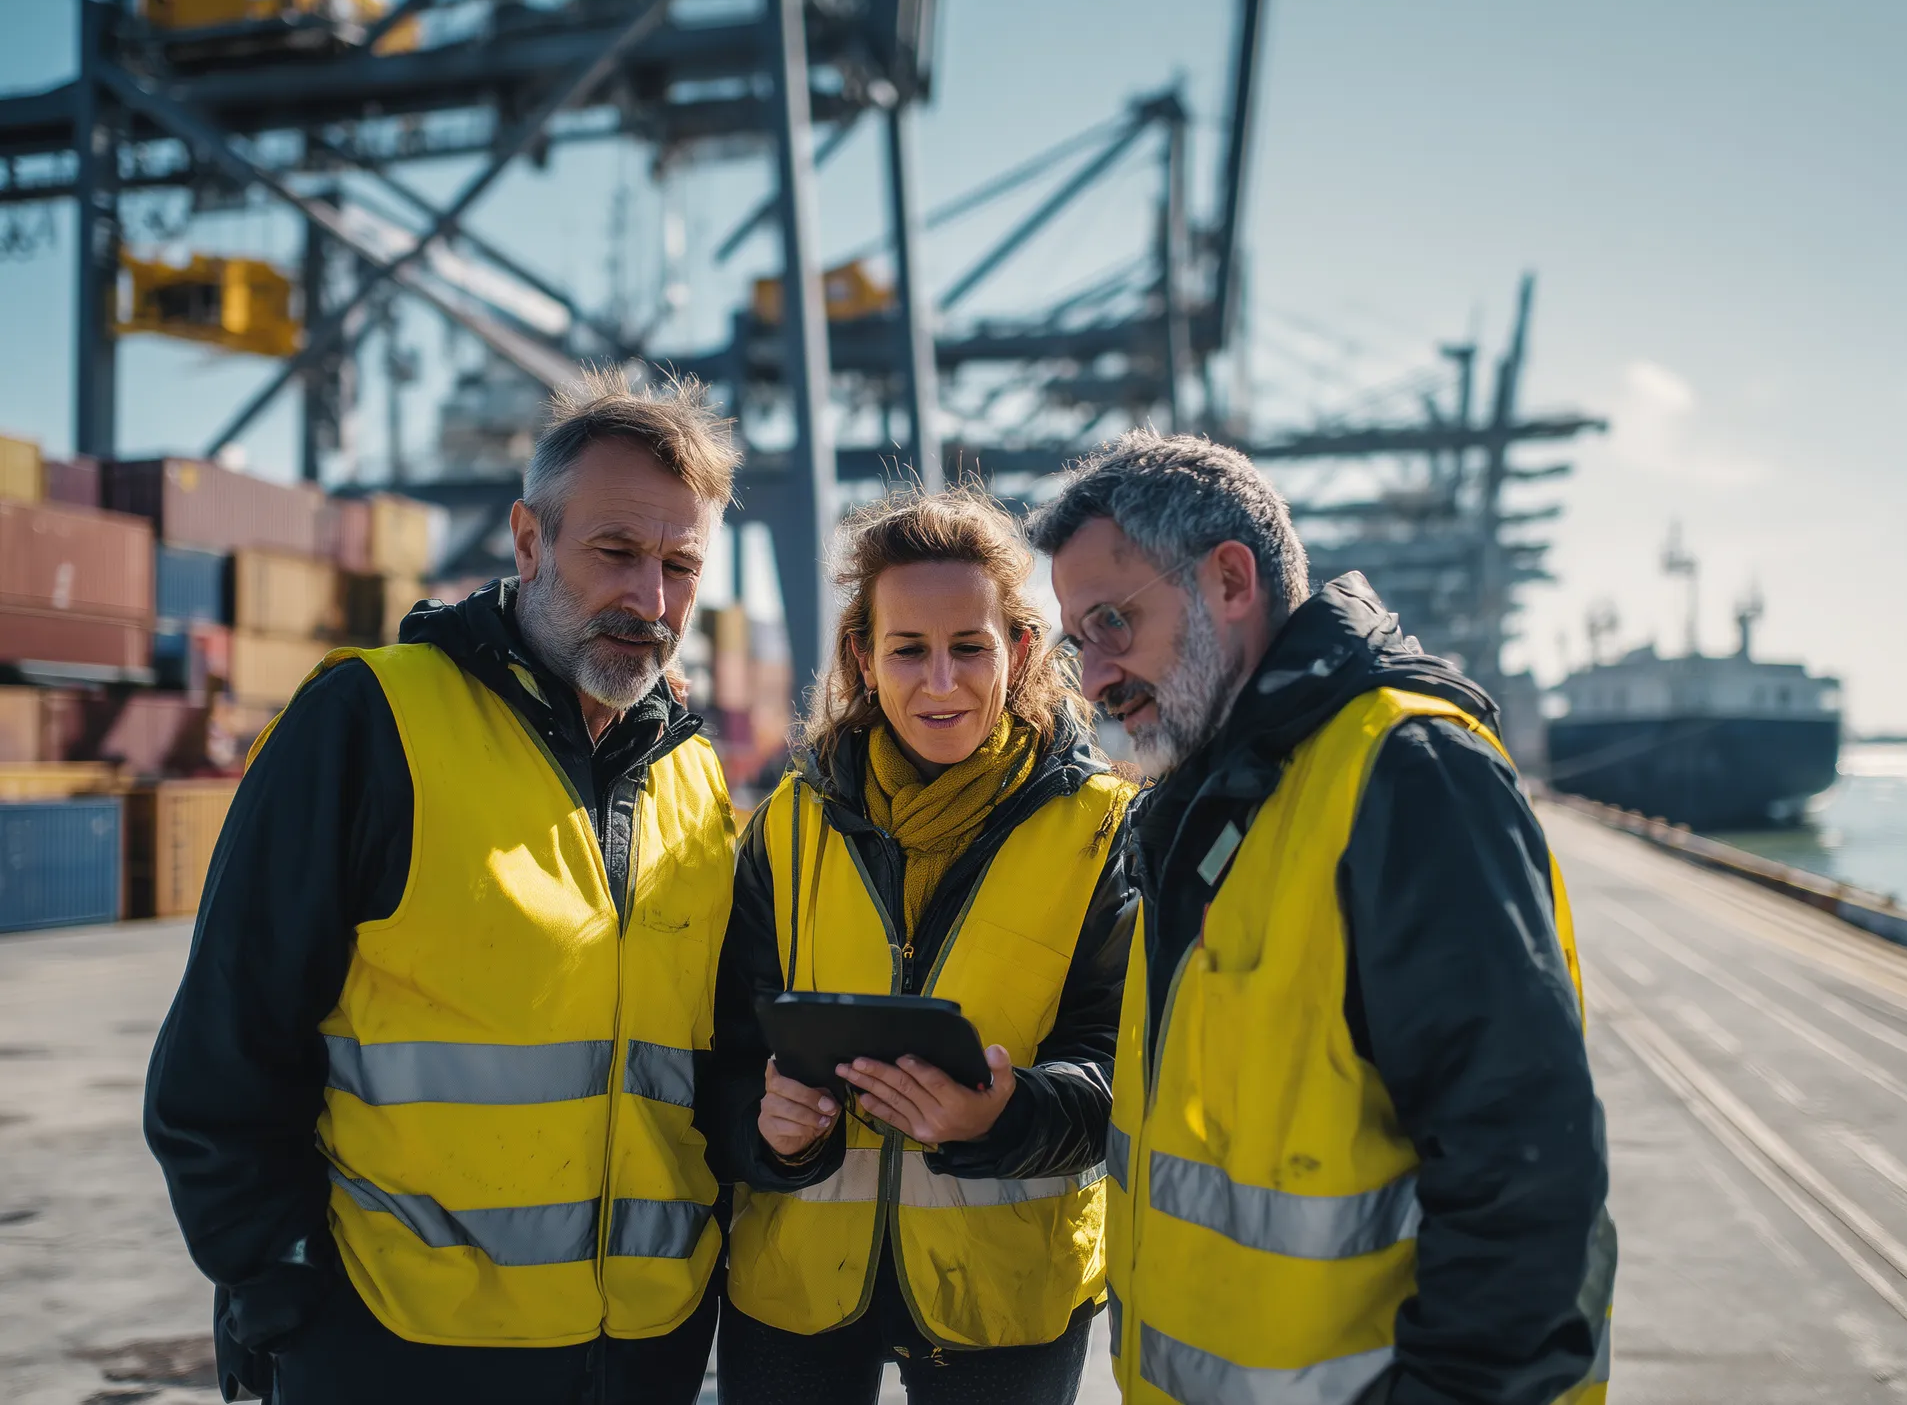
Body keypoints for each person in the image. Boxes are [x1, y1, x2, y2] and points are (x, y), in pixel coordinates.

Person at [144, 373, 742, 1405]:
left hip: (646, 1349)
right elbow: (225, 1047)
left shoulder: (693, 773)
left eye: (679, 565)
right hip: (399, 1345)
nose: (650, 600)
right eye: (615, 552)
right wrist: (277, 1288)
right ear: (527, 540)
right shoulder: (371, 723)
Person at [1028, 430, 1614, 1405]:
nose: (1092, 679)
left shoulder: (1410, 781)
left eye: (1114, 624)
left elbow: (1527, 1187)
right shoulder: (1205, 803)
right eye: (1075, 641)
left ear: (1228, 581)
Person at [709, 485, 1138, 1404]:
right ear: (863, 658)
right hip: (797, 1284)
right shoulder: (786, 828)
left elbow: (1126, 1066)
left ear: (1018, 651)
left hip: (1004, 1293)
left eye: (969, 648)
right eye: (908, 649)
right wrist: (771, 1132)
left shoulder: (1102, 833)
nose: (940, 682)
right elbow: (723, 1055)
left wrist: (1007, 1118)